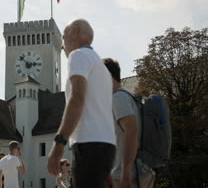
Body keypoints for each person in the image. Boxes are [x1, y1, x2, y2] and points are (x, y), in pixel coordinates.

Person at [47, 18, 116, 188]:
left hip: (88, 145)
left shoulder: (78, 55)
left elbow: (77, 98)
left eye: (63, 37)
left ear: (75, 32)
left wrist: (59, 143)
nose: (62, 45)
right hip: (106, 146)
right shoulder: (102, 69)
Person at [103, 58, 155, 188]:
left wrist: (125, 174)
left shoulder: (118, 98)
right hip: (133, 173)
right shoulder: (128, 96)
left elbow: (131, 133)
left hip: (128, 177)